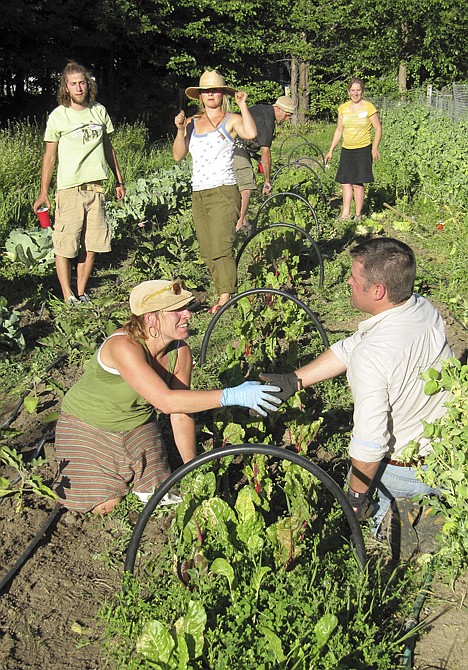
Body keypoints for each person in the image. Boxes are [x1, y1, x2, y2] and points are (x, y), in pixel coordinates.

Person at [259, 238, 453, 553]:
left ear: (377, 291)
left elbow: (371, 442)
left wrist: (356, 498)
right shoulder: (420, 308)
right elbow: (353, 346)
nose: (349, 281)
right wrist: (294, 381)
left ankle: (401, 527)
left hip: (402, 471)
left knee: (395, 541)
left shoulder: (374, 356)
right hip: (445, 452)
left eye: (355, 278)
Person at [53, 279, 281, 514]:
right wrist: (231, 395)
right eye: (177, 310)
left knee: (155, 492)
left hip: (136, 426)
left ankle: (128, 473)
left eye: (187, 308)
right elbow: (165, 401)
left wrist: (192, 465)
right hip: (87, 424)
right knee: (106, 505)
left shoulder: (180, 351)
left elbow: (180, 411)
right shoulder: (124, 346)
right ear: (151, 318)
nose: (188, 315)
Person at [33, 61, 125, 305]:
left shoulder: (99, 111)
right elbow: (49, 156)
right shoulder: (58, 117)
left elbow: (108, 147)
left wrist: (119, 179)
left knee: (92, 243)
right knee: (65, 245)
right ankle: (67, 295)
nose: (78, 87)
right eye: (73, 84)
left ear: (88, 84)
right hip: (70, 189)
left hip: (96, 188)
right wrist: (44, 192)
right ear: (66, 87)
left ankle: (81, 292)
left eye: (82, 82)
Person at [173, 70, 257, 314]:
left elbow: (251, 133)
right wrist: (179, 129)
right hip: (199, 192)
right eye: (206, 91)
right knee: (207, 249)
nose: (211, 94)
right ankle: (221, 289)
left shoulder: (230, 119)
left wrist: (243, 105)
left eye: (215, 90)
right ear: (199, 96)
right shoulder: (190, 123)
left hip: (223, 190)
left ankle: (225, 296)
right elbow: (178, 155)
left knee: (221, 245)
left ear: (222, 94)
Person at [233, 96, 295, 231]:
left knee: (236, 186)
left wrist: (256, 157)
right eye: (287, 115)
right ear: (278, 109)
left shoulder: (263, 109)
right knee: (247, 185)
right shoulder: (268, 120)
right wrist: (267, 181)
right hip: (235, 147)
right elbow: (266, 152)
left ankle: (241, 219)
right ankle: (240, 224)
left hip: (237, 146)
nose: (287, 119)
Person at [325, 78, 382, 221]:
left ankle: (357, 215)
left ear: (362, 91)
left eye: (358, 90)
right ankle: (345, 214)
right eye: (353, 90)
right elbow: (339, 130)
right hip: (347, 149)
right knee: (345, 182)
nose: (355, 93)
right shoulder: (343, 108)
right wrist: (331, 150)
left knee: (357, 183)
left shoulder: (369, 107)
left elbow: (378, 128)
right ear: (348, 91)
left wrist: (374, 148)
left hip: (363, 149)